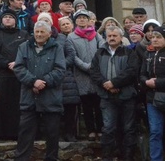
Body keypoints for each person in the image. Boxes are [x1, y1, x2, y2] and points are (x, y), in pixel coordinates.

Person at [13, 21, 66, 161]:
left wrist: (44, 82)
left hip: (51, 98)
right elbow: (18, 68)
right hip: (29, 98)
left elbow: (60, 70)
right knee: (25, 134)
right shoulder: (23, 47)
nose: (39, 34)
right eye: (37, 32)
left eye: (42, 32)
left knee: (52, 135)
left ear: (49, 33)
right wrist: (33, 82)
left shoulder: (57, 48)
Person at [89, 26, 139, 161]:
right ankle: (107, 157)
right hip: (107, 97)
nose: (111, 38)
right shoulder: (99, 53)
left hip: (127, 96)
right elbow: (94, 72)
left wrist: (115, 83)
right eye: (109, 36)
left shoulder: (129, 53)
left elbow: (132, 71)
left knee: (128, 128)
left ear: (121, 37)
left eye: (114, 36)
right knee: (108, 128)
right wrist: (106, 84)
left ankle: (127, 157)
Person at [0, 11, 29, 140]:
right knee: (2, 106)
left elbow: (28, 51)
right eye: (5, 17)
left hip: (20, 75)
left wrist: (18, 63)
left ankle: (18, 133)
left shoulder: (23, 34)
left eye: (10, 17)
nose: (7, 19)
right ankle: (0, 133)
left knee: (18, 105)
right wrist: (7, 64)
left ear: (15, 20)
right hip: (2, 75)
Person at [68, 9, 104, 141]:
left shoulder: (97, 35)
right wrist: (85, 66)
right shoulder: (71, 37)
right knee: (87, 104)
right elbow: (73, 56)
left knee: (98, 104)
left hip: (97, 73)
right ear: (75, 21)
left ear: (89, 21)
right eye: (79, 18)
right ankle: (91, 130)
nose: (82, 20)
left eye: (84, 18)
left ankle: (100, 129)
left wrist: (94, 66)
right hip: (81, 75)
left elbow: (102, 50)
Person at [140, 26, 165, 161]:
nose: (154, 39)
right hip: (152, 99)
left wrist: (158, 83)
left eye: (158, 37)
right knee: (155, 131)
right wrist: (146, 82)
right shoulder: (147, 53)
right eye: (153, 37)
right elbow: (142, 74)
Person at [57, 16, 81, 142]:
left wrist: (60, 65)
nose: (66, 26)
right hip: (56, 79)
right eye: (63, 24)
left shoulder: (63, 40)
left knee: (70, 109)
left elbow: (71, 55)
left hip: (68, 78)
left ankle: (71, 133)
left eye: (68, 23)